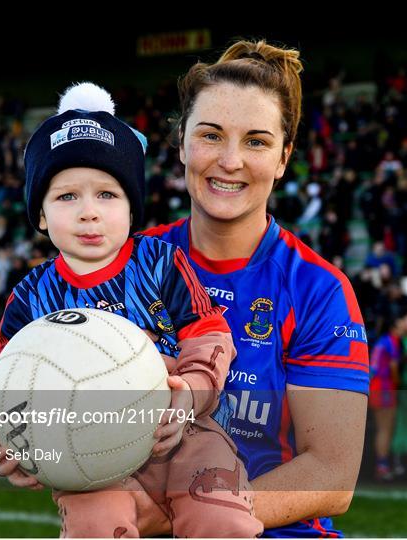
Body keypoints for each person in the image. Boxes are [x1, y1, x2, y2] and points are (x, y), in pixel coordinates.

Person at [0, 83, 262, 538]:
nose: (89, 212)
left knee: (220, 518)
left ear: (131, 206)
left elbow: (210, 336)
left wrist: (191, 391)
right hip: (89, 458)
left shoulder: (161, 262)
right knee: (96, 524)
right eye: (67, 196)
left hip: (184, 438)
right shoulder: (29, 298)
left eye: (107, 195)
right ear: (41, 214)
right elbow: (11, 394)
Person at [141, 39, 370, 537]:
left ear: (284, 158)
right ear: (182, 142)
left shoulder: (318, 289)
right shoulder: (132, 264)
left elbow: (332, 475)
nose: (230, 160)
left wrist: (191, 514)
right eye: (211, 135)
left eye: (256, 141)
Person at [369, 312, 407, 480]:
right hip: (384, 389)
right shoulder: (391, 342)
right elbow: (392, 369)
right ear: (395, 325)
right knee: (385, 429)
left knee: (383, 429)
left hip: (377, 388)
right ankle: (382, 467)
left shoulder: (385, 341)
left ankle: (382, 466)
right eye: (404, 320)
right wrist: (398, 384)